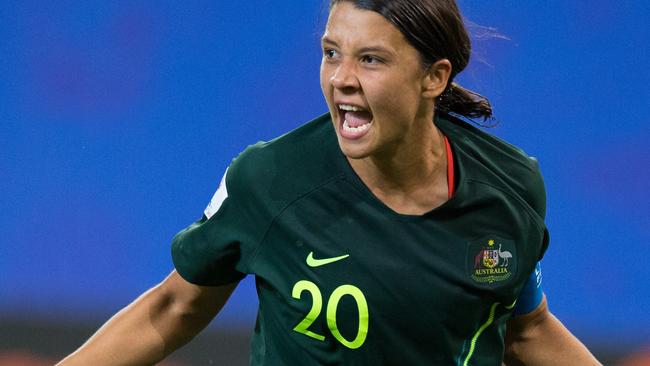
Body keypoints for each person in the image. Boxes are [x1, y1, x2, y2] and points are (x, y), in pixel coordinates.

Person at [58, 1, 602, 365]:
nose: (341, 78)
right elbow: (171, 308)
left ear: (433, 77)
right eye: (330, 53)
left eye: (370, 59)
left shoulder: (510, 188)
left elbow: (527, 327)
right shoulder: (270, 180)